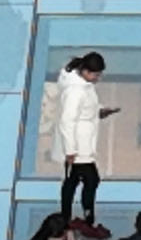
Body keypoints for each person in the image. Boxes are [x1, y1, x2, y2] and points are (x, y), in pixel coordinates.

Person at [51, 54, 121, 225]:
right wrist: (70, 149)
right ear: (85, 71)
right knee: (90, 179)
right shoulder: (75, 91)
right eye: (96, 75)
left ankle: (67, 216)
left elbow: (87, 109)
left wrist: (100, 111)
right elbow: (67, 121)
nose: (98, 78)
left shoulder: (84, 87)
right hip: (77, 148)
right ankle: (86, 216)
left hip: (81, 145)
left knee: (72, 181)